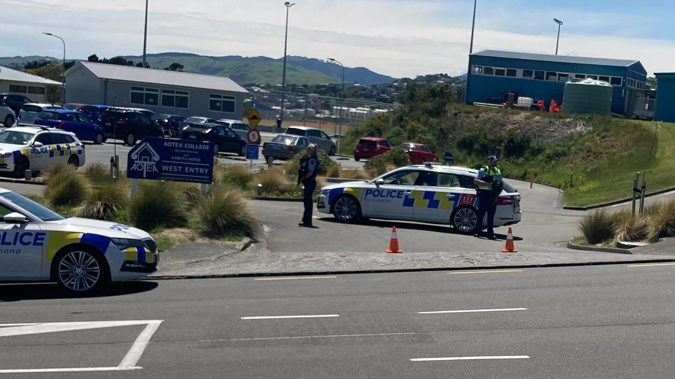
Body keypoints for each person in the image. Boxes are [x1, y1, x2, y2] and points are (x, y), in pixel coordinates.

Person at [473, 155, 503, 240]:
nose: (496, 163)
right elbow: (475, 181)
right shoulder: (484, 170)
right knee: (481, 215)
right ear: (490, 161)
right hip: (484, 195)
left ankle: (490, 234)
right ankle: (477, 231)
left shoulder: (497, 171)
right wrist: (485, 183)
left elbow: (500, 184)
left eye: (496, 161)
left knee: (491, 217)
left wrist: (497, 194)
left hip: (492, 196)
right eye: (494, 161)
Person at [298, 144, 319, 228]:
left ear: (312, 150)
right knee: (307, 202)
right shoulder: (311, 159)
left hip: (310, 182)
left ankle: (307, 221)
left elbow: (310, 172)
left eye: (308, 150)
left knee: (308, 203)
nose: (307, 151)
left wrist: (303, 178)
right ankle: (305, 220)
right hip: (310, 182)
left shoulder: (312, 160)